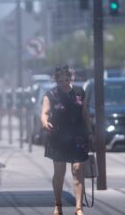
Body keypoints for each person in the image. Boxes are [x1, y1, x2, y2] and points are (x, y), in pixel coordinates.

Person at [41, 65, 94, 215]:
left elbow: (85, 114)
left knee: (77, 170)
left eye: (66, 79)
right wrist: (45, 122)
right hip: (57, 137)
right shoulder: (50, 94)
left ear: (70, 78)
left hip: (78, 136)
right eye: (60, 80)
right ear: (55, 80)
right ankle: (58, 205)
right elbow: (44, 113)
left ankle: (79, 208)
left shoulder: (79, 92)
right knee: (60, 173)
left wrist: (90, 132)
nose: (64, 83)